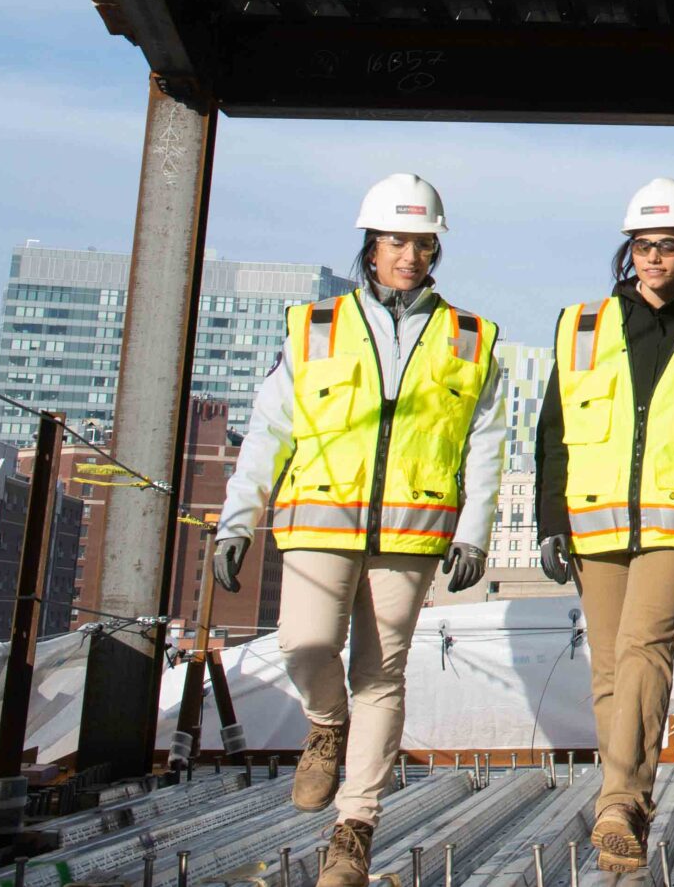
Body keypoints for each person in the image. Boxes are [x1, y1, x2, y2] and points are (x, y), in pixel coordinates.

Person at [211, 175, 505, 887]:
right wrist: (237, 519)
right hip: (318, 519)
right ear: (371, 245)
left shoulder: (469, 337)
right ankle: (324, 723)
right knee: (305, 642)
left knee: (383, 675)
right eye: (396, 240)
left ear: (436, 248)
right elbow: (268, 431)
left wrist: (475, 530)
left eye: (422, 242)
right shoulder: (314, 326)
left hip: (411, 531)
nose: (409, 253)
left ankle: (354, 826)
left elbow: (487, 440)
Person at [535, 178, 674, 871]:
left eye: (666, 246)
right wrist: (549, 517)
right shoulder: (584, 327)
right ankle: (622, 804)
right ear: (629, 251)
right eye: (642, 245)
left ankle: (619, 799)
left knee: (642, 647)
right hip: (593, 521)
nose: (653, 258)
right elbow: (554, 432)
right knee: (608, 669)